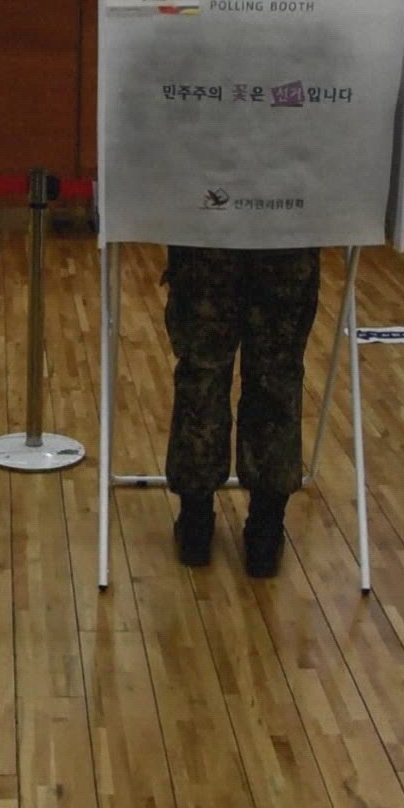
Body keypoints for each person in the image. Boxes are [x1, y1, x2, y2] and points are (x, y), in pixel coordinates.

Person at [163, 245, 321, 577]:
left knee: (202, 377)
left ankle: (195, 526)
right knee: (276, 378)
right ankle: (265, 534)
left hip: (206, 239)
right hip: (287, 238)